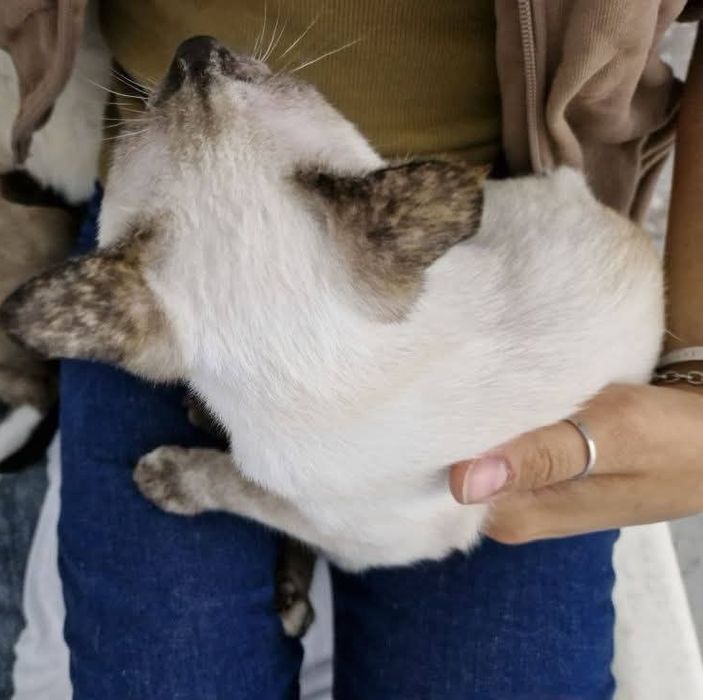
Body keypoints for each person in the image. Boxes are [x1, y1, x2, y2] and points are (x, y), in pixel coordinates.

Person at [38, 2, 703, 697]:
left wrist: (695, 374)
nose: (203, 54)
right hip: (236, 214)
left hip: (475, 183)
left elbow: (401, 533)